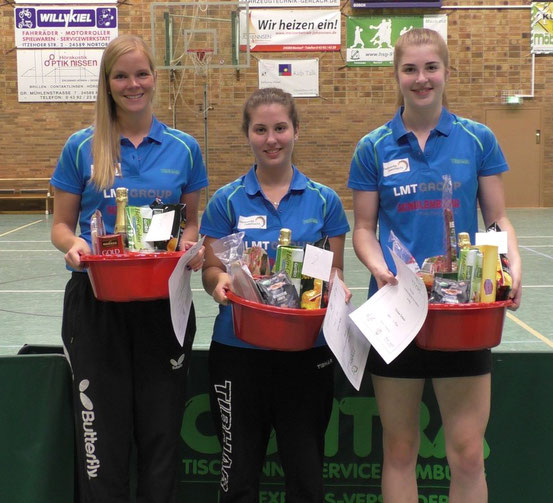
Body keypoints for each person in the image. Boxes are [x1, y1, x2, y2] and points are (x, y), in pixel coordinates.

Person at [347, 28, 522, 503]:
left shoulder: (477, 139)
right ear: (396, 75)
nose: (421, 78)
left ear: (446, 71)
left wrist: (510, 266)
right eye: (410, 69)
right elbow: (363, 228)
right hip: (395, 313)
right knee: (399, 450)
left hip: (462, 314)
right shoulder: (374, 147)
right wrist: (380, 269)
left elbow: (497, 217)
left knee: (467, 453)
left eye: (431, 67)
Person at [50, 34, 208, 503]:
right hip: (97, 305)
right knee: (104, 440)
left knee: (161, 436)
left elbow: (192, 219)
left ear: (155, 78)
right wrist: (75, 244)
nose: (132, 84)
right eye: (121, 75)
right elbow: (60, 225)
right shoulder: (82, 146)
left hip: (163, 306)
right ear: (108, 82)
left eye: (141, 74)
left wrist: (191, 245)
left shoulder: (184, 147)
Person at [200, 87, 351, 502]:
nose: (271, 139)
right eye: (261, 129)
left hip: (306, 353)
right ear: (247, 134)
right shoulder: (225, 200)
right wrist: (218, 285)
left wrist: (336, 285)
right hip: (238, 351)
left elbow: (333, 269)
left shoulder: (326, 201)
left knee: (305, 476)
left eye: (280, 128)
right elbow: (212, 269)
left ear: (296, 131)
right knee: (238, 475)